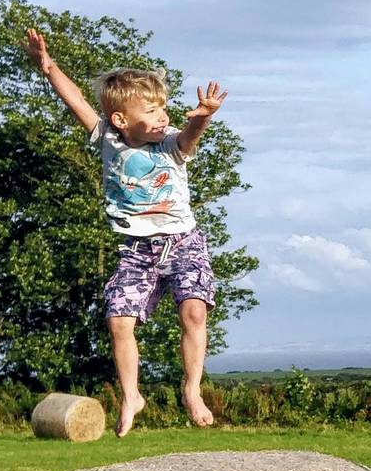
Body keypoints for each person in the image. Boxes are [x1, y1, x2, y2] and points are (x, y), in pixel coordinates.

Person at [24, 28, 226, 436]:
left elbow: (189, 136)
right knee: (119, 321)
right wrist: (48, 66)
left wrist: (202, 117)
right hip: (137, 249)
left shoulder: (170, 144)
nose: (163, 117)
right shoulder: (108, 140)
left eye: (164, 108)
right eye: (152, 112)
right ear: (121, 120)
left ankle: (191, 389)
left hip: (183, 242)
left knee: (194, 310)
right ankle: (132, 394)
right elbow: (77, 100)